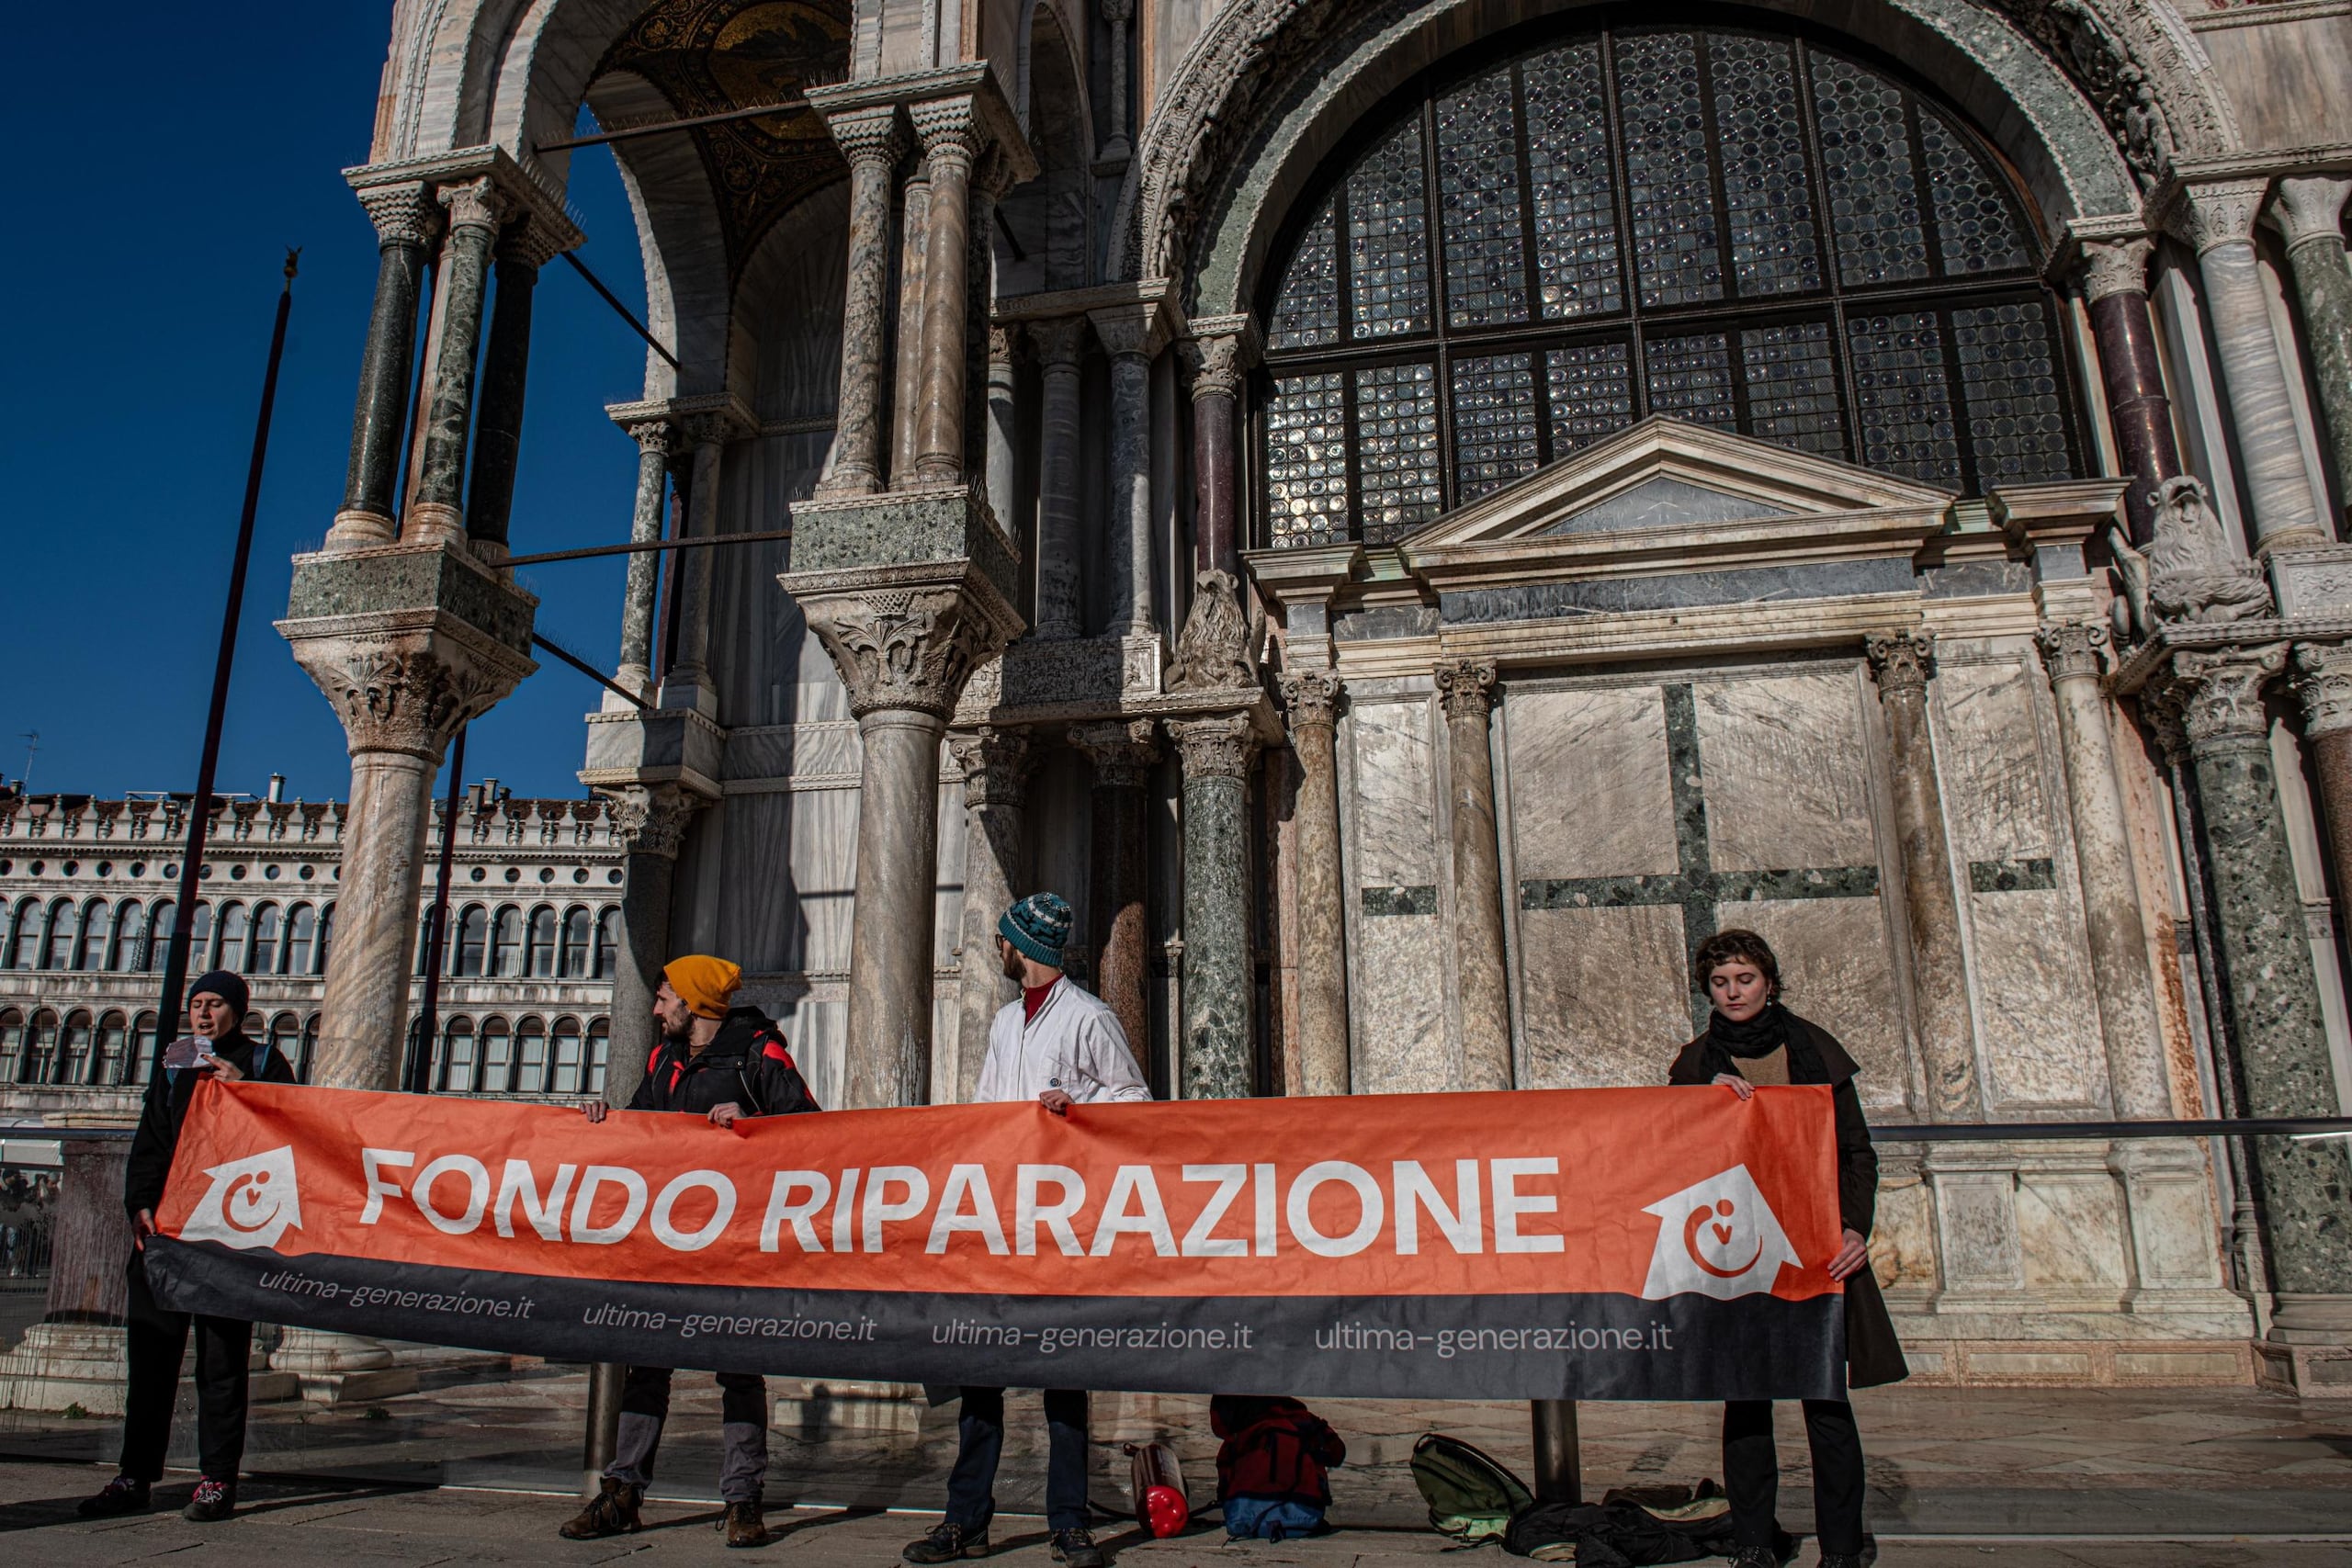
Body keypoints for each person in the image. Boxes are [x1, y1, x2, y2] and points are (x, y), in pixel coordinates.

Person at [903, 893, 1150, 1568]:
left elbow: (1136, 1101)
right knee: (981, 1374)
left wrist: (1080, 1104)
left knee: (1063, 1382)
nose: (996, 944)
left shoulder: (1090, 1017)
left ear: (1025, 947)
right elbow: (990, 1109)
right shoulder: (1006, 1022)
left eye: (1004, 937)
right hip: (1001, 1219)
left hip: (1059, 1228)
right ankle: (966, 1520)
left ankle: (1069, 1522)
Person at [1667, 929, 1907, 1568]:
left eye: (1744, 979)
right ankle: (1752, 1541)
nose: (1733, 991)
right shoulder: (1695, 1065)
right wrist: (1703, 1105)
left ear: (1768, 980)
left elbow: (1856, 1152)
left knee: (1827, 1401)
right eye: (1720, 982)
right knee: (1747, 1401)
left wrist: (1855, 1227)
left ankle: (1842, 1546)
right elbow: (1671, 1155)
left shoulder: (1816, 1051)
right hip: (1739, 1251)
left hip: (1818, 1248)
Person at [561, 955, 820, 1549]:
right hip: (667, 1241)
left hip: (734, 1244)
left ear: (695, 1002)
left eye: (665, 997)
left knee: (737, 1369)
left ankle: (742, 1500)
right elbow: (638, 1130)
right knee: (646, 1366)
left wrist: (752, 1118)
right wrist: (605, 1120)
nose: (656, 1008)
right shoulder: (663, 1059)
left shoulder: (761, 1052)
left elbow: (811, 1128)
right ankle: (622, 1491)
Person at [80, 971, 300, 1523]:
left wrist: (241, 1091)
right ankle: (135, 1474)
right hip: (167, 1229)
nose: (203, 1014)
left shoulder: (265, 1064)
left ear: (238, 1011)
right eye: (196, 1004)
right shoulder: (177, 1061)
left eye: (215, 1004)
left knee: (222, 1361)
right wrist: (140, 1204)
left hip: (228, 1229)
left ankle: (217, 1478)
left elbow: (294, 1132)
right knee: (152, 1357)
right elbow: (152, 1135)